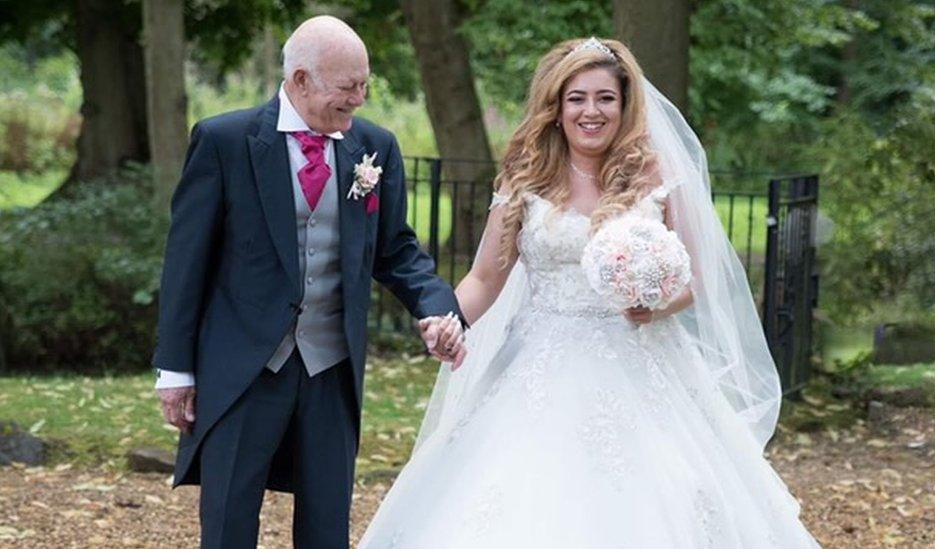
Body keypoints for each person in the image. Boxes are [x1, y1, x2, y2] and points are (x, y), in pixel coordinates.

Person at [358, 38, 821, 548]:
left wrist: (655, 304)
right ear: (556, 108)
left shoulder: (656, 174)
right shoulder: (526, 174)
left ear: (625, 105)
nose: (591, 111)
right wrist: (449, 321)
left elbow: (696, 279)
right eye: (577, 98)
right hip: (536, 360)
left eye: (606, 98)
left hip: (641, 358)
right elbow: (486, 277)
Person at [152, 16, 465, 549]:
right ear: (300, 80)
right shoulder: (224, 141)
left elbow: (396, 249)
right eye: (348, 87)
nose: (359, 99)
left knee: (327, 528)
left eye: (364, 84)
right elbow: (187, 261)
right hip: (244, 369)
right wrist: (176, 369)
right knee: (227, 523)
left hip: (330, 368)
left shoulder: (375, 148)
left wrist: (437, 308)